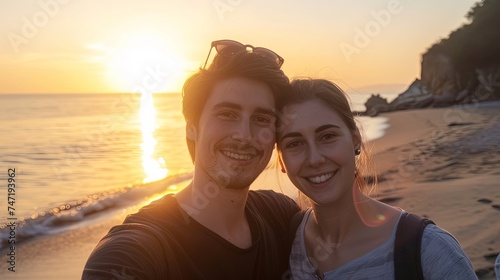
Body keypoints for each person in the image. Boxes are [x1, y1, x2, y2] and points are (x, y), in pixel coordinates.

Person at [82, 39, 300, 279]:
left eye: (261, 119)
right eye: (227, 114)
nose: (244, 136)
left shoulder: (280, 215)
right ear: (192, 127)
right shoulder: (136, 250)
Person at [276, 78, 478, 279]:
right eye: (294, 143)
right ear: (281, 160)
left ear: (356, 140)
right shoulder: (285, 241)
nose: (315, 159)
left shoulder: (430, 250)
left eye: (327, 136)